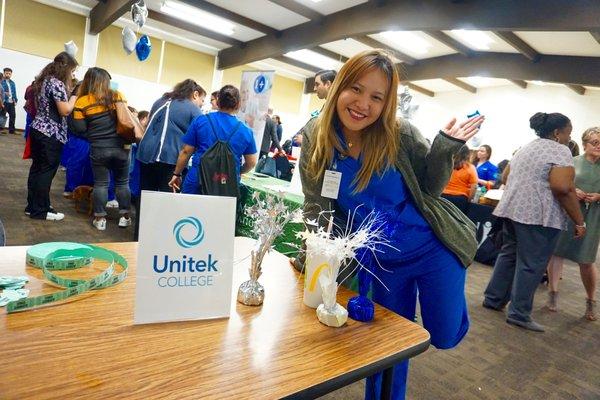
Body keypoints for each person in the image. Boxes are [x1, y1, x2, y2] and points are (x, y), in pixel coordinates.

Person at [299, 49, 484, 400]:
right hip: (381, 261)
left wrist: (447, 146)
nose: (362, 104)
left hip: (431, 247)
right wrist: (314, 257)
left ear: (387, 103)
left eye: (377, 97)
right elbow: (316, 203)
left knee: (443, 336)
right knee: (386, 348)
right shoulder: (317, 135)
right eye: (355, 88)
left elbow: (430, 186)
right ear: (338, 87)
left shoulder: (400, 133)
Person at [483, 112, 586, 332]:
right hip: (538, 215)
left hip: (512, 209)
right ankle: (519, 313)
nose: (570, 137)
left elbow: (505, 177)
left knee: (509, 254)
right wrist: (579, 221)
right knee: (532, 263)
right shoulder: (560, 150)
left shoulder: (526, 147)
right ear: (557, 133)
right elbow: (562, 188)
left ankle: (493, 299)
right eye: (569, 132)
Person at [546, 127, 600, 320]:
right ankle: (553, 293)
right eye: (595, 142)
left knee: (586, 260)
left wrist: (598, 196)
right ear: (585, 143)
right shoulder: (571, 162)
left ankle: (590, 301)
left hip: (593, 217)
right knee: (557, 253)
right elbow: (557, 184)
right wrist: (573, 190)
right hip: (567, 214)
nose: (598, 146)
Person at [70, 67, 132, 231]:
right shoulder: (117, 96)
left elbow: (79, 129)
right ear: (106, 81)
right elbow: (126, 120)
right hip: (122, 148)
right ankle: (125, 217)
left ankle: (100, 219)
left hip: (99, 149)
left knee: (101, 184)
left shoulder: (82, 102)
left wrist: (95, 133)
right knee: (122, 183)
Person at [169, 85, 257, 194]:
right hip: (226, 183)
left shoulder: (201, 121)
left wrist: (177, 174)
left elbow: (186, 151)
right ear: (238, 104)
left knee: (189, 210)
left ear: (218, 102)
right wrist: (238, 171)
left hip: (197, 179)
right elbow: (252, 162)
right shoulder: (246, 131)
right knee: (218, 211)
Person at [25, 52, 79, 221]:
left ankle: (34, 206)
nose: (73, 75)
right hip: (50, 133)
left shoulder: (44, 81)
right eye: (72, 71)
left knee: (37, 170)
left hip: (38, 130)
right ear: (66, 69)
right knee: (46, 172)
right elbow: (65, 110)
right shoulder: (56, 83)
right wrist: (75, 96)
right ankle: (40, 211)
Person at [136, 79, 205, 192]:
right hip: (171, 158)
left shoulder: (159, 101)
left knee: (146, 196)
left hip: (146, 154)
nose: (202, 104)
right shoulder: (193, 109)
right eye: (202, 100)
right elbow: (199, 137)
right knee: (168, 199)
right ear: (195, 94)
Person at [442, 145, 478, 213]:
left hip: (443, 195)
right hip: (460, 199)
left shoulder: (448, 164)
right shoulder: (470, 168)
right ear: (468, 154)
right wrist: (469, 199)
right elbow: (474, 186)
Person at [1, 67, 18, 134]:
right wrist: (5, 93)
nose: (8, 75)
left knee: (13, 116)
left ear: (11, 74)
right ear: (4, 73)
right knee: (2, 116)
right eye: (6, 73)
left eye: (9, 74)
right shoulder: (1, 81)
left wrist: (15, 100)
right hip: (4, 101)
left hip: (11, 102)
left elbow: (14, 92)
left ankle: (12, 130)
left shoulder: (12, 83)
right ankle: (1, 129)